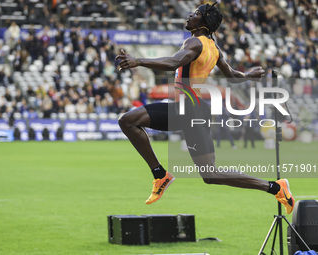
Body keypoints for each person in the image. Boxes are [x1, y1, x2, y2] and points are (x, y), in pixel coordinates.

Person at [115, 3, 294, 214]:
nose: (190, 15)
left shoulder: (195, 42)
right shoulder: (214, 48)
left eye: (195, 14)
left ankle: (159, 174)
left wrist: (138, 61)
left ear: (204, 22)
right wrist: (248, 75)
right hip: (191, 109)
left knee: (128, 121)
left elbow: (174, 62)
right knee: (210, 175)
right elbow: (232, 75)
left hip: (189, 109)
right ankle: (275, 187)